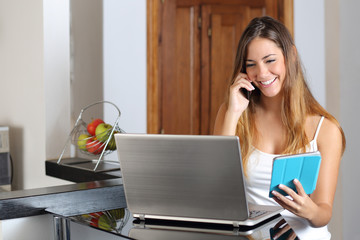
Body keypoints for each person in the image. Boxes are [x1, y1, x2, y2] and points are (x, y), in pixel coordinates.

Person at [213, 16, 345, 239]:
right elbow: (216, 182)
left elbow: (324, 212)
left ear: (291, 56)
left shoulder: (326, 129)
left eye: (270, 60)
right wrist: (233, 112)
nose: (262, 73)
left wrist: (308, 210)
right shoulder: (232, 113)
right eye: (251, 64)